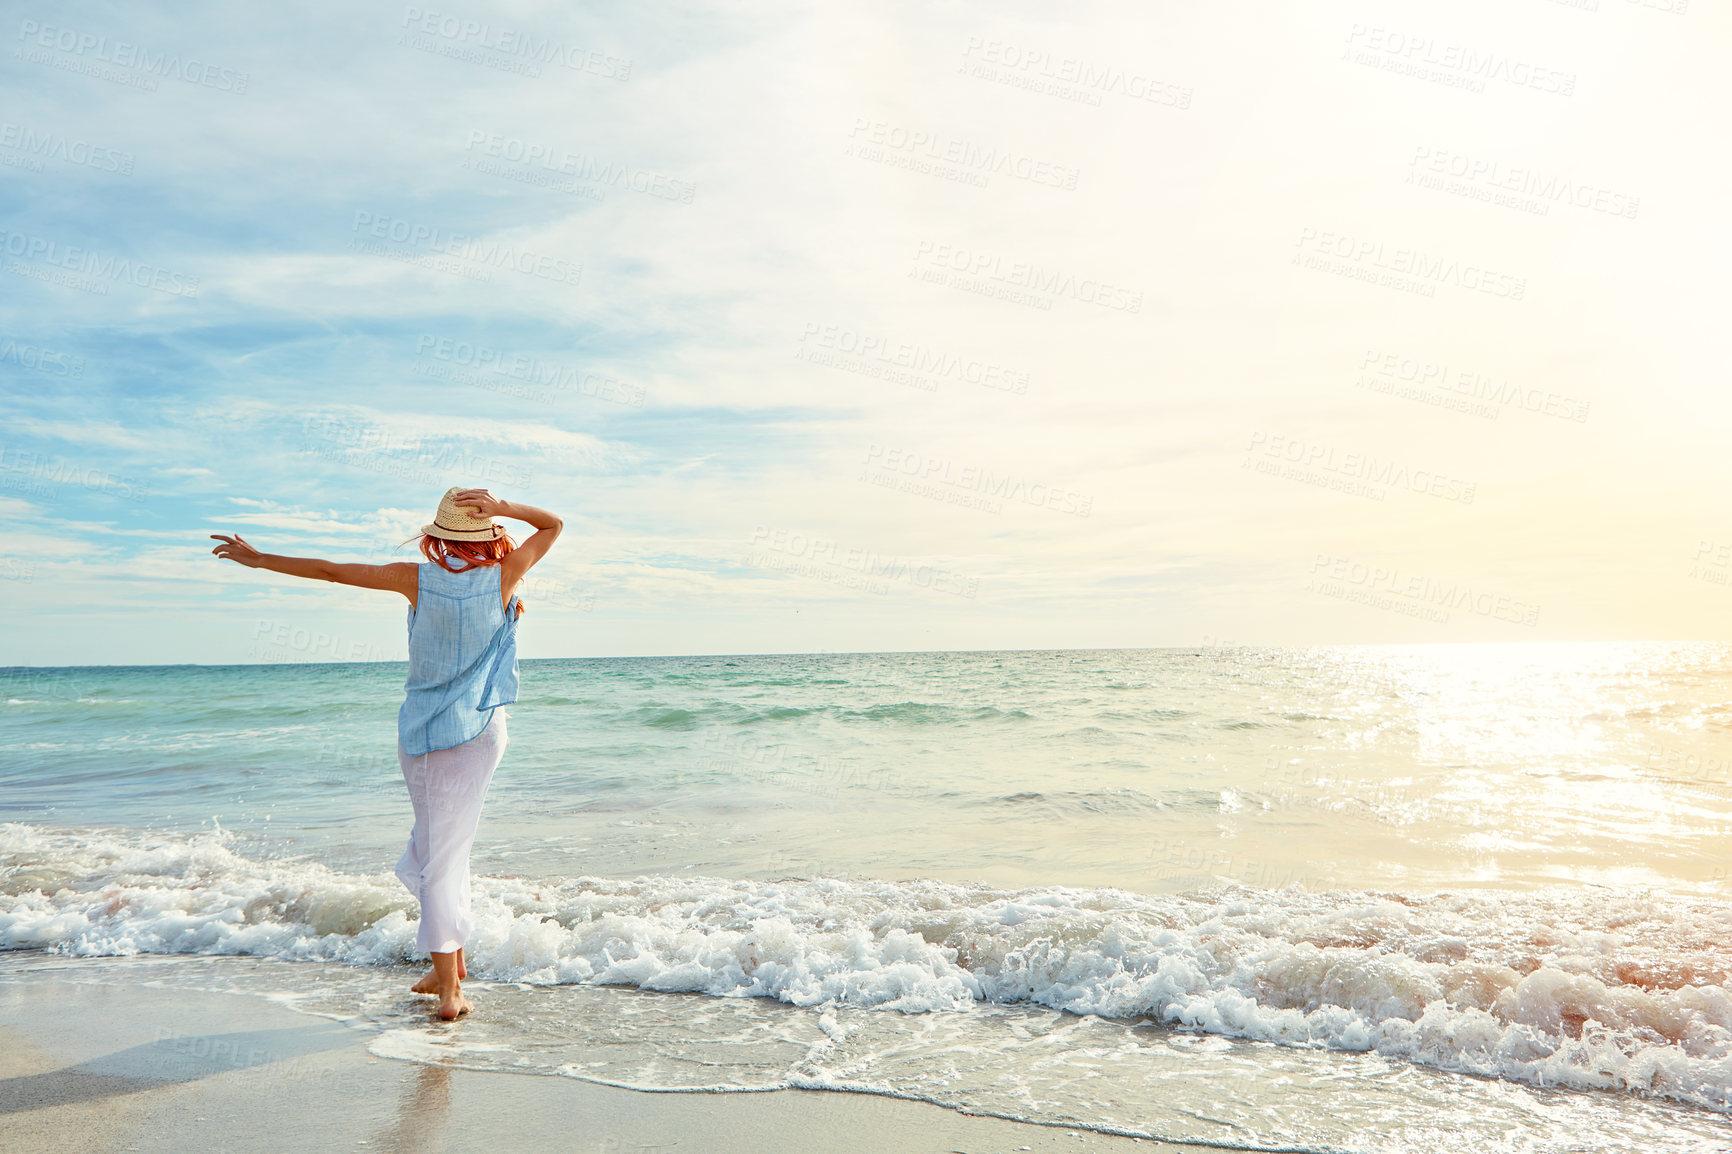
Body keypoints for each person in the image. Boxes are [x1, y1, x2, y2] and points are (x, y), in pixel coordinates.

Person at [210, 487, 563, 1019]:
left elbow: (331, 571)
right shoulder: (505, 577)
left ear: (438, 536)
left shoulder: (414, 579)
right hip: (483, 733)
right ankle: (451, 966)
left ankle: (451, 992)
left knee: (437, 859)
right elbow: (553, 525)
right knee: (443, 850)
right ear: (489, 533)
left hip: (427, 737)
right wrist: (507, 508)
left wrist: (260, 560)